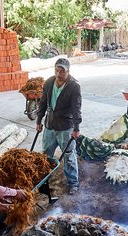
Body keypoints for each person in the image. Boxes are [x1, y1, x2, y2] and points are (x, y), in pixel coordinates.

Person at [36, 58, 82, 195]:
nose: (59, 73)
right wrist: (39, 120)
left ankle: (73, 183)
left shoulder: (74, 86)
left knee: (69, 155)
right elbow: (43, 102)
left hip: (65, 127)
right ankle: (43, 182)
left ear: (68, 71)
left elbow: (76, 108)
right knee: (45, 155)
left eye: (62, 71)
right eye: (57, 70)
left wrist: (76, 128)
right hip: (50, 125)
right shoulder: (49, 82)